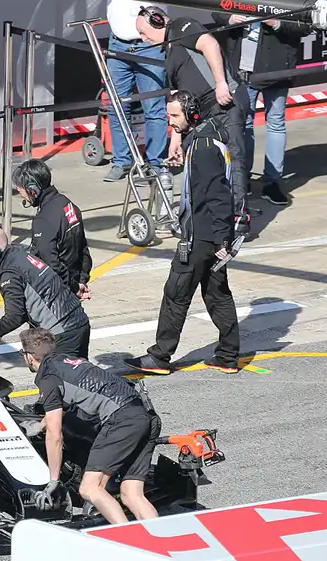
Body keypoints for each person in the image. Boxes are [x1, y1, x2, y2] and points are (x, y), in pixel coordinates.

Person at [124, 91, 240, 376]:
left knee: (176, 293)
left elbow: (218, 195)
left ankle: (160, 356)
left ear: (192, 114)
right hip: (210, 234)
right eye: (168, 115)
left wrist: (221, 239)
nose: (170, 121)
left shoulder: (202, 146)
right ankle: (227, 355)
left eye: (175, 115)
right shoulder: (209, 135)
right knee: (217, 293)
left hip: (200, 235)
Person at [19, 327, 162, 525]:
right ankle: (162, 542)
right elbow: (64, 407)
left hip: (121, 419)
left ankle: (130, 543)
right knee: (131, 494)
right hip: (145, 414)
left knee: (90, 488)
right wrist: (40, 424)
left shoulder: (48, 378)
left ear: (28, 356)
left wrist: (53, 480)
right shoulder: (66, 362)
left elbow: (55, 435)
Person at [136, 6, 251, 220]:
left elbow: (210, 44)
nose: (143, 39)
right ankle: (209, 216)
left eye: (143, 32)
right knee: (201, 161)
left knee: (232, 159)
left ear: (158, 21)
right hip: (204, 111)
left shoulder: (181, 27)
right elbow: (178, 100)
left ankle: (237, 218)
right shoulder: (169, 52)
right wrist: (176, 138)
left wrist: (220, 84)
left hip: (225, 101)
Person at [211, 11, 312, 207]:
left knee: (275, 124)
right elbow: (216, 10)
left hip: (277, 70)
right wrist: (230, 19)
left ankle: (272, 183)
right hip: (242, 72)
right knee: (243, 125)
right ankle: (242, 178)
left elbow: (306, 25)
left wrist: (276, 23)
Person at [0, 226, 91, 359]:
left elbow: (14, 317)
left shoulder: (9, 273)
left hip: (62, 333)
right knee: (78, 375)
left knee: (52, 378)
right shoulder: (19, 253)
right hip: (78, 321)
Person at [103, 1, 170, 184]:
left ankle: (155, 165)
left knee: (153, 108)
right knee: (116, 107)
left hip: (150, 46)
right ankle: (121, 161)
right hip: (117, 44)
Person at [14, 159, 93, 300]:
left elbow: (51, 264)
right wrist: (81, 280)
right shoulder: (69, 205)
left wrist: (74, 288)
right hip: (71, 285)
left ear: (33, 190)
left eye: (22, 192)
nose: (23, 197)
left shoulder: (43, 220)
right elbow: (83, 248)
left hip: (55, 293)